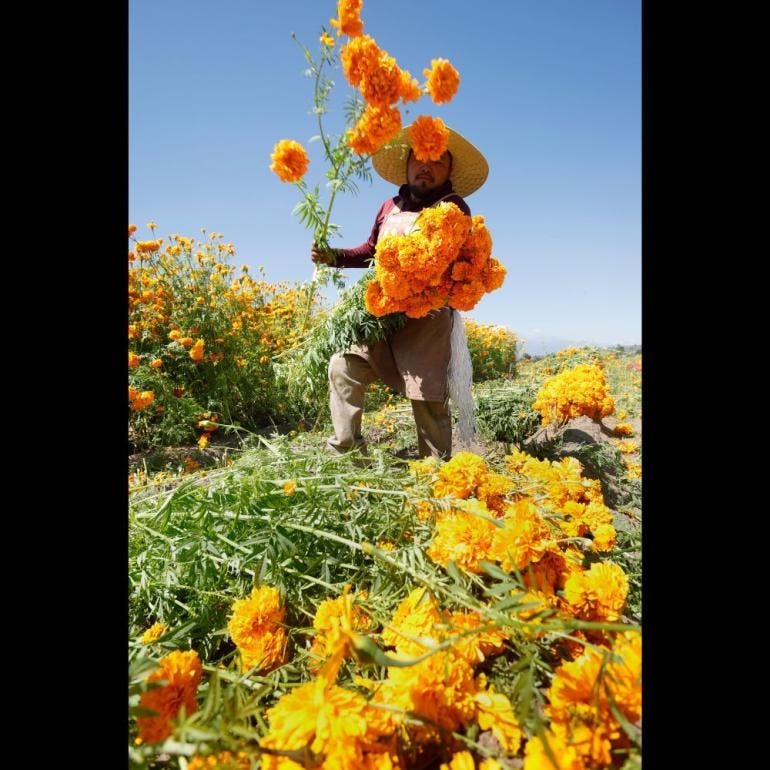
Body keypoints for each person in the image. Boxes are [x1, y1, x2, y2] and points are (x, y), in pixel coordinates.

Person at [311, 124, 489, 460]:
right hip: (379, 313)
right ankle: (347, 455)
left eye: (437, 161)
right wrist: (334, 257)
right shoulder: (388, 207)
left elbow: (461, 266)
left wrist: (423, 282)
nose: (426, 166)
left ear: (449, 171)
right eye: (419, 158)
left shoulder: (454, 209)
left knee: (428, 397)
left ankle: (435, 471)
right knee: (344, 366)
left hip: (428, 321)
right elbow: (371, 250)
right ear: (407, 163)